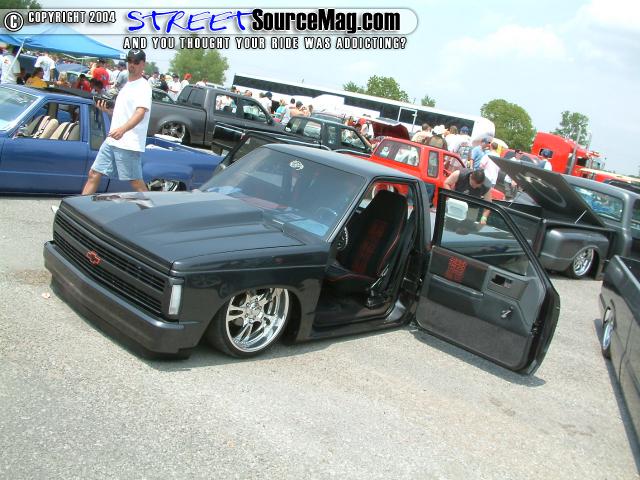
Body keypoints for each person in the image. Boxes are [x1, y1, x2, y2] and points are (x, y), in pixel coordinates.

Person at [80, 49, 152, 196]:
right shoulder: (127, 85)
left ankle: (152, 207)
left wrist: (122, 130)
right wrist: (107, 110)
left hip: (128, 143)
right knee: (94, 174)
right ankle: (80, 207)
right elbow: (123, 113)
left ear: (143, 64)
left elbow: (140, 113)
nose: (132, 64)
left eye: (136, 62)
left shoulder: (143, 86)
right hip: (112, 140)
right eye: (129, 61)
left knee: (136, 182)